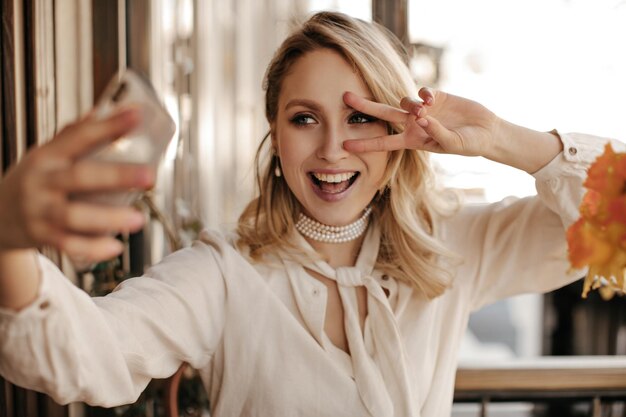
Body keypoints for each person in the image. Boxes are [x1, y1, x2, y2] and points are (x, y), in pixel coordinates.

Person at [0, 11, 617, 417]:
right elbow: (89, 353)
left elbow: (615, 229)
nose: (330, 150)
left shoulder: (452, 245)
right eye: (304, 118)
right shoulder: (223, 275)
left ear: (400, 128)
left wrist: (499, 138)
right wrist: (8, 240)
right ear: (274, 131)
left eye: (359, 118)